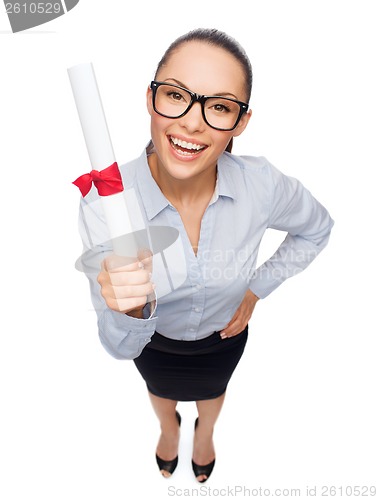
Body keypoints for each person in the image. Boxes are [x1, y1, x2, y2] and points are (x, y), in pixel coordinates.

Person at [76, 28, 334, 483]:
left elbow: (316, 230)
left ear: (240, 121)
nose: (193, 123)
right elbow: (120, 346)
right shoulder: (107, 203)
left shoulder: (264, 185)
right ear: (151, 99)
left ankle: (205, 433)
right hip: (153, 346)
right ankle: (168, 429)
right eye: (176, 95)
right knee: (160, 391)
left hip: (224, 339)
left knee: (214, 392)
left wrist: (256, 289)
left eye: (218, 106)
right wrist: (127, 307)